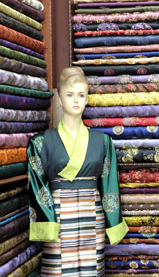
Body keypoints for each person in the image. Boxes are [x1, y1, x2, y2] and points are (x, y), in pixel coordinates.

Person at [27, 66, 128, 276]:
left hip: (93, 214)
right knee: (58, 269)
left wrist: (113, 222)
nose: (76, 100)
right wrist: (48, 222)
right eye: (69, 95)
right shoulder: (40, 143)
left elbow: (109, 186)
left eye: (81, 95)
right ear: (60, 99)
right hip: (59, 215)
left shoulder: (103, 142)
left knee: (92, 269)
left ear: (87, 98)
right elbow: (39, 187)